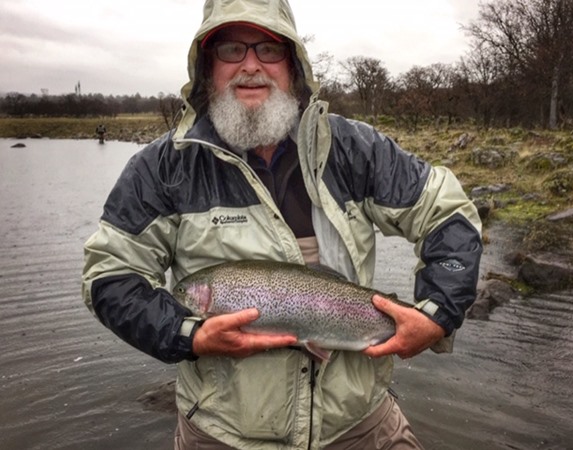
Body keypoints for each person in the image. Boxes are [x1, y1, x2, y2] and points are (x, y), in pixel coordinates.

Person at [82, 0, 483, 448]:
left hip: (362, 425)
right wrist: (189, 334)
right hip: (222, 435)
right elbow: (110, 277)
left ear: (293, 64)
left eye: (269, 50)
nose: (251, 66)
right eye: (232, 49)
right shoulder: (163, 169)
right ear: (206, 64)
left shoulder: (355, 149)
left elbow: (448, 212)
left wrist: (438, 314)